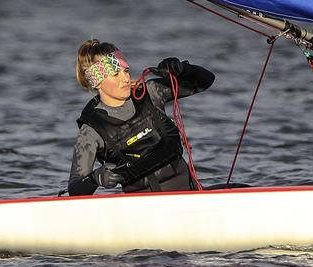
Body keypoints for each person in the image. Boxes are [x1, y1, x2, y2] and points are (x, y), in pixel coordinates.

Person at [68, 39, 215, 195]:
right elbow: (74, 189)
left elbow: (206, 80)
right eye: (115, 74)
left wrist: (184, 70)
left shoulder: (150, 93)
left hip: (192, 196)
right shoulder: (91, 130)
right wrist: (95, 179)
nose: (125, 78)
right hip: (142, 210)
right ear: (97, 82)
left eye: (125, 71)